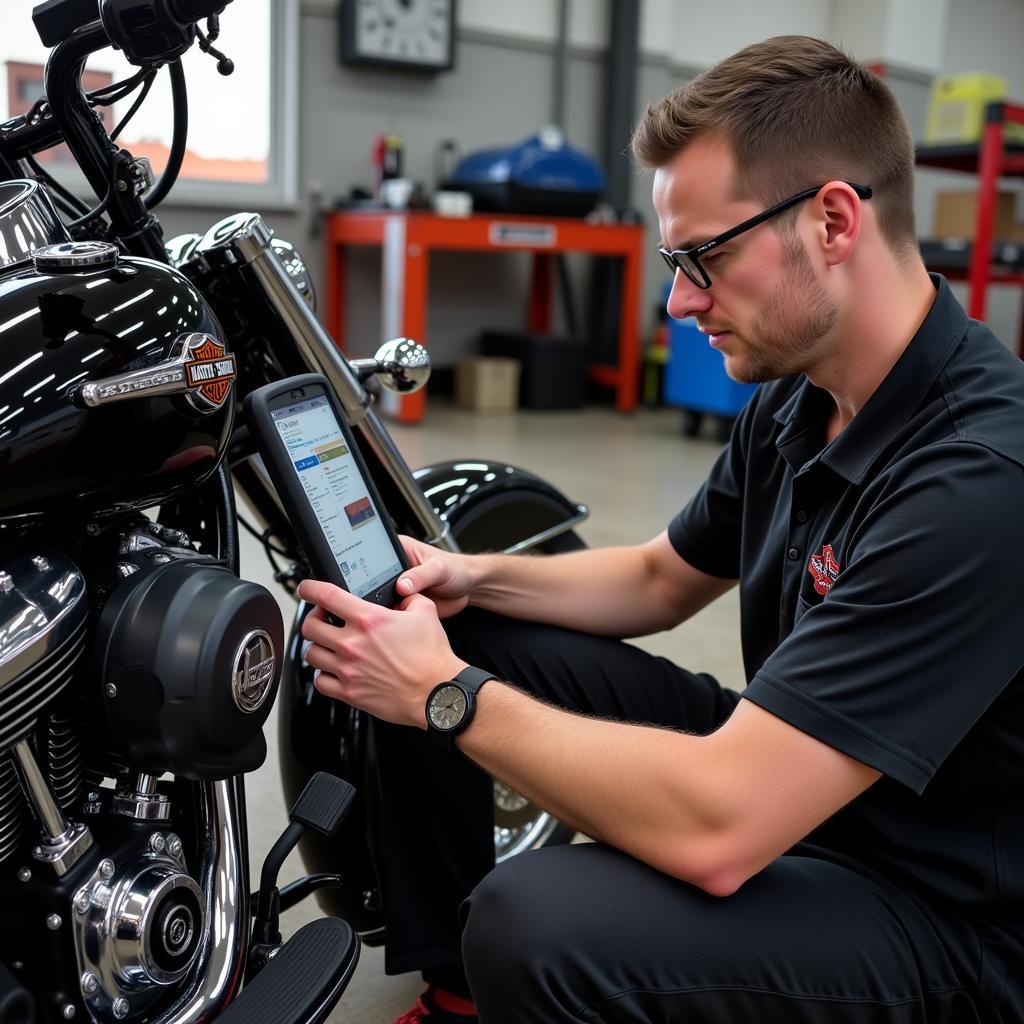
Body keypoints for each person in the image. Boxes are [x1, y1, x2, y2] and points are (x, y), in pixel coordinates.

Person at [299, 34, 1024, 1024]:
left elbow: (722, 829)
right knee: (461, 631)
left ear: (833, 221)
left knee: (534, 921)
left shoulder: (977, 482)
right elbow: (659, 577)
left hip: (939, 913)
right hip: (798, 778)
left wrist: (442, 697)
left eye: (704, 258)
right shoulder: (799, 395)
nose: (680, 301)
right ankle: (459, 1000)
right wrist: (473, 580)